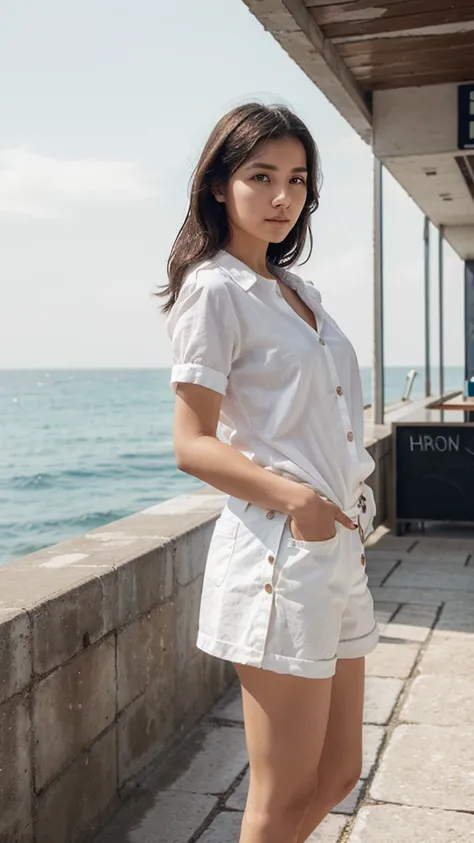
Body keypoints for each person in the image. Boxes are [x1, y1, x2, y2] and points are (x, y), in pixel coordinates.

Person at [161, 102, 379, 843]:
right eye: (262, 177)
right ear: (221, 184)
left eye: (297, 179)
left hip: (336, 552)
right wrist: (298, 499)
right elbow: (191, 442)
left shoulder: (298, 291)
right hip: (281, 557)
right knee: (281, 796)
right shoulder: (214, 289)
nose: (282, 196)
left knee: (341, 773)